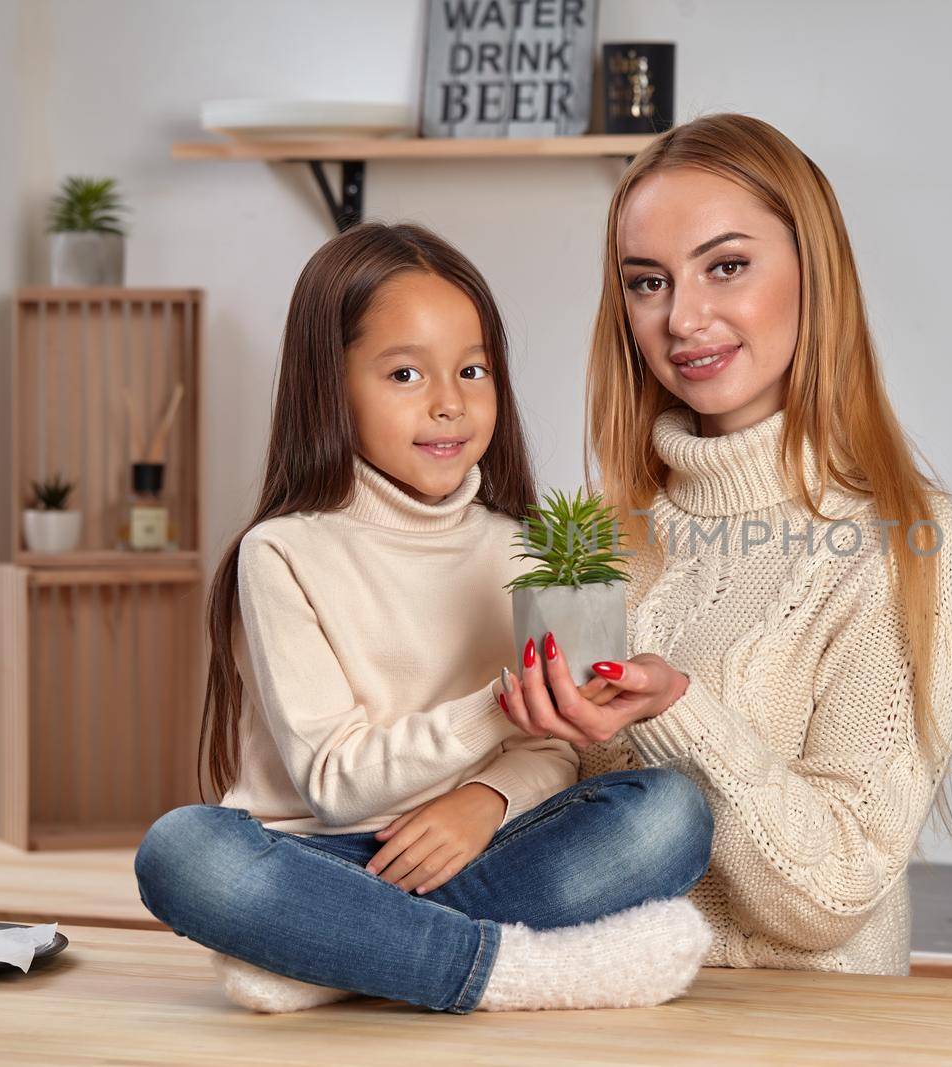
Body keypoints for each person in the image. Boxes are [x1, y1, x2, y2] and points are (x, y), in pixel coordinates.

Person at [134, 222, 713, 1015]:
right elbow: (335, 783)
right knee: (184, 853)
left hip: (476, 846)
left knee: (667, 813)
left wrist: (487, 803)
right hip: (319, 854)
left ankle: (332, 952)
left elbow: (550, 752)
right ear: (329, 386)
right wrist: (500, 705)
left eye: (472, 369)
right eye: (405, 373)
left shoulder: (522, 546)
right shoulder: (281, 553)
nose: (449, 402)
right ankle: (506, 970)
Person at [501, 114, 952, 976]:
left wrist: (673, 711)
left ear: (815, 271)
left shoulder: (911, 546)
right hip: (594, 1019)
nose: (683, 317)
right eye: (647, 282)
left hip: (790, 1031)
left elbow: (833, 893)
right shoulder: (595, 542)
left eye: (726, 266)